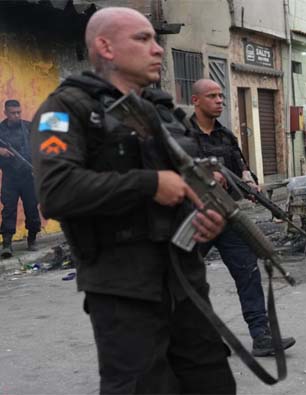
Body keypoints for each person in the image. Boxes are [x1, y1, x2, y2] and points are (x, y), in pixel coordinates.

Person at [30, 8, 235, 394]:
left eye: (155, 40)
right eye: (142, 39)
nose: (157, 49)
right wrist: (148, 184)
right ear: (105, 47)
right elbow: (56, 191)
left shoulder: (164, 112)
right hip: (123, 290)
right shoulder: (65, 110)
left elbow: (185, 182)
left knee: (212, 381)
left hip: (184, 281)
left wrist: (205, 215)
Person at [189, 78, 296, 357]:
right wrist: (203, 176)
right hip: (195, 217)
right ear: (196, 100)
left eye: (221, 96)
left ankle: (261, 335)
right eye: (212, 96)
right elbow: (171, 174)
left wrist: (250, 184)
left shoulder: (226, 136)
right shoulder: (181, 136)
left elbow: (242, 168)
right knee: (184, 277)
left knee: (248, 273)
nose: (219, 100)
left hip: (228, 216)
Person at [0, 99, 41, 257]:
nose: (17, 115)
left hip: (28, 176)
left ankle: (32, 239)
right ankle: (7, 244)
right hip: (10, 177)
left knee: (31, 208)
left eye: (19, 112)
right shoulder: (1, 130)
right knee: (9, 209)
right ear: (6, 113)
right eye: (13, 113)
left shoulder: (29, 127)